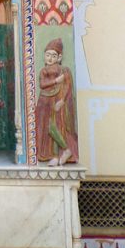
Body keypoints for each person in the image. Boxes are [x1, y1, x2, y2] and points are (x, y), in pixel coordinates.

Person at [35, 38, 78, 166]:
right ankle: (52, 155)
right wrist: (55, 81)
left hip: (56, 101)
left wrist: (62, 101)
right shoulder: (43, 70)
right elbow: (42, 84)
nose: (50, 58)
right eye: (47, 55)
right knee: (44, 127)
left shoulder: (63, 70)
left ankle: (64, 150)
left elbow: (68, 86)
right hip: (44, 101)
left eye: (53, 56)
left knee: (56, 126)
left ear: (59, 57)